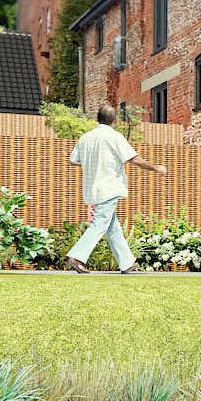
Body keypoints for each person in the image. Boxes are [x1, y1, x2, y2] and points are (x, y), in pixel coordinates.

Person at [66, 105, 168, 274]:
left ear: (97, 119)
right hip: (109, 187)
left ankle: (126, 262)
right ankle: (76, 256)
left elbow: (73, 160)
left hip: (92, 189)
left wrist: (93, 162)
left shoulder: (85, 138)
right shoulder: (114, 137)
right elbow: (134, 159)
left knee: (112, 226)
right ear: (114, 121)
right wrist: (156, 168)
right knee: (100, 223)